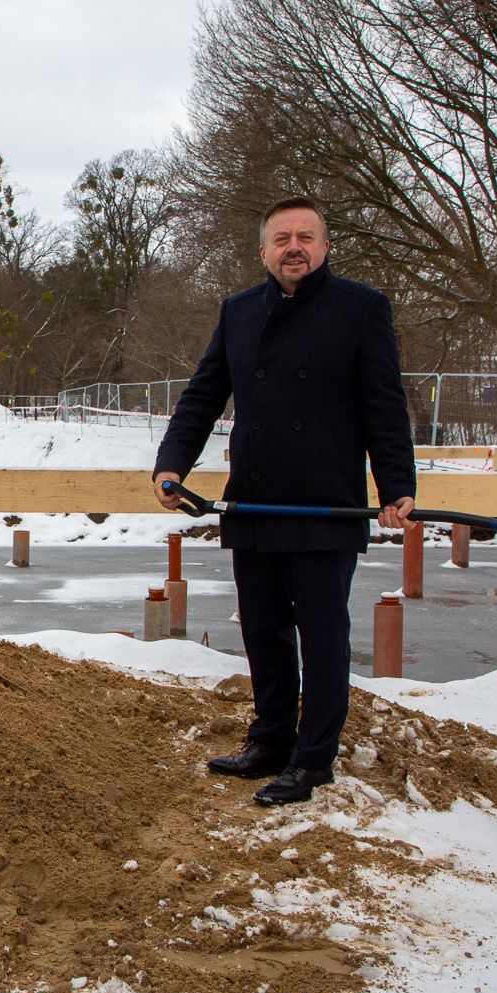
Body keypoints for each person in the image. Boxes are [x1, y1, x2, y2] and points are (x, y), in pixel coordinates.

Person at [152, 196, 416, 806]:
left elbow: (384, 406)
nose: (293, 247)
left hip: (326, 505)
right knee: (265, 630)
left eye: (305, 236)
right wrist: (171, 465)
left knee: (323, 637)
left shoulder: (361, 310)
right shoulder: (239, 311)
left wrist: (396, 486)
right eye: (281, 238)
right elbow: (203, 394)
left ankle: (313, 759)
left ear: (325, 246)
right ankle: (270, 739)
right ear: (263, 250)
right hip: (257, 502)